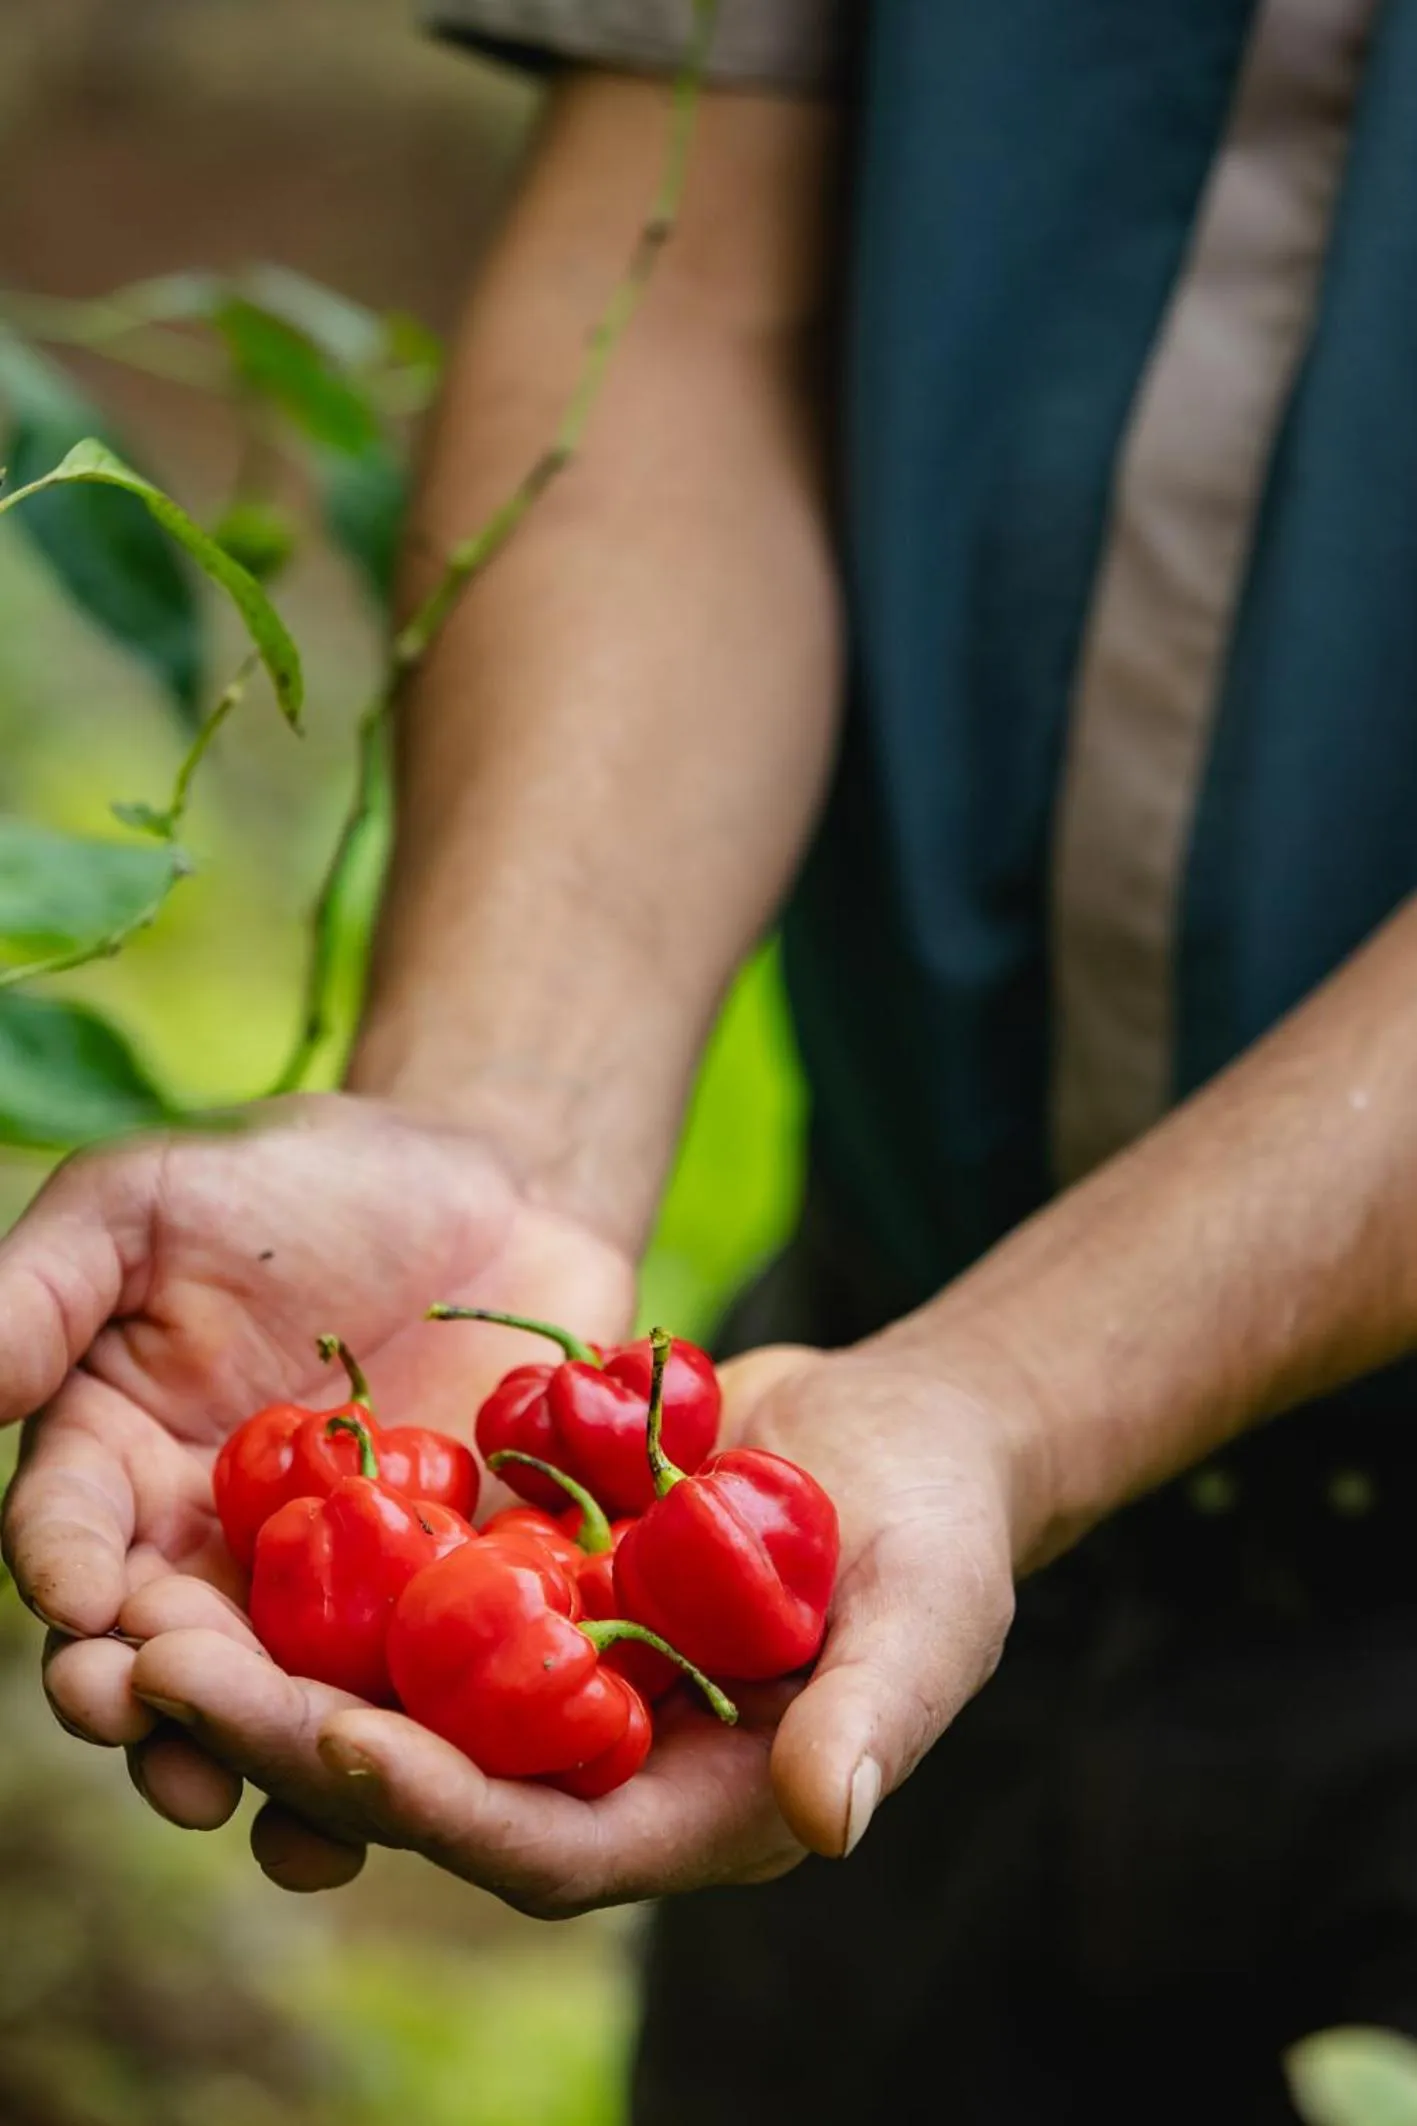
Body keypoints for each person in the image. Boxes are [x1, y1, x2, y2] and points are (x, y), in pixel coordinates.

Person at [6, 0, 1417, 2114]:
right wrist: (500, 1125)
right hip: (896, 1361)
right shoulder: (707, 1507)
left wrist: (1019, 1391)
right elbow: (686, 296)